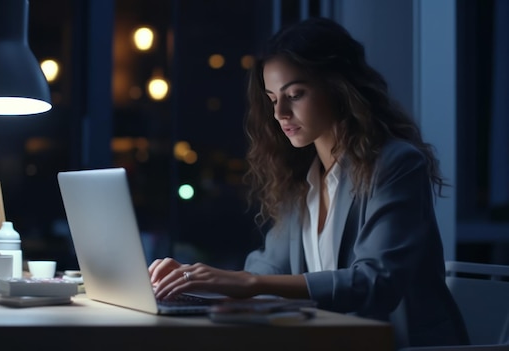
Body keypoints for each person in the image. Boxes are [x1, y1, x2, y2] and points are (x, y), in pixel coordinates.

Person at [148, 17, 468, 349]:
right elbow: (269, 267)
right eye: (273, 99)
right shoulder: (301, 177)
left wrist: (247, 282)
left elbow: (376, 282)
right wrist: (193, 280)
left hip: (401, 345)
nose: (280, 113)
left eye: (295, 94)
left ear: (339, 86)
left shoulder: (396, 164)